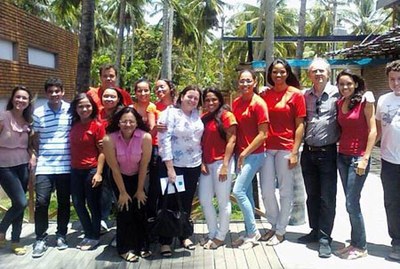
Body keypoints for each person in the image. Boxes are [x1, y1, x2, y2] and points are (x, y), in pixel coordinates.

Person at [259, 59, 305, 246]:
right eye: (275, 72)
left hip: (286, 148)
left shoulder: (296, 95)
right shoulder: (264, 94)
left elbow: (300, 125)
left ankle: (280, 231)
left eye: (282, 72)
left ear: (287, 73)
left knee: (286, 192)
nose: (278, 76)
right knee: (267, 191)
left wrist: (295, 151)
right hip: (266, 148)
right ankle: (273, 224)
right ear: (269, 74)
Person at [298, 58, 340, 258]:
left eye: (322, 71)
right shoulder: (304, 95)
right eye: (314, 71)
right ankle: (314, 230)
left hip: (328, 152)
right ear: (309, 75)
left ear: (328, 73)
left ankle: (325, 237)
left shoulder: (338, 94)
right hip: (308, 152)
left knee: (327, 197)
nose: (318, 74)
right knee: (312, 195)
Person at [333, 69, 376, 259]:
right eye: (342, 84)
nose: (345, 87)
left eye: (349, 84)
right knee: (350, 202)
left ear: (356, 84)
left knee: (352, 202)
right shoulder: (340, 102)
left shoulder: (365, 102)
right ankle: (354, 242)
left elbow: (373, 131)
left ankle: (361, 246)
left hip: (358, 158)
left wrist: (365, 158)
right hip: (342, 156)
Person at [157, 85, 204, 257]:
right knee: (169, 202)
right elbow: (164, 140)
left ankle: (184, 235)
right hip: (173, 166)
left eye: (196, 98)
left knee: (186, 203)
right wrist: (169, 168)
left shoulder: (196, 115)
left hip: (192, 165)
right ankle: (165, 241)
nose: (192, 100)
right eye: (189, 96)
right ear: (181, 96)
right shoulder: (170, 113)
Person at [103, 107, 152, 262]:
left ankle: (142, 245)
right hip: (119, 177)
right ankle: (124, 248)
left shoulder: (145, 137)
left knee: (140, 207)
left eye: (131, 121)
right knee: (124, 210)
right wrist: (123, 192)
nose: (128, 124)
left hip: (139, 176)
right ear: (118, 123)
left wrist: (139, 190)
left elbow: (144, 165)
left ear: (137, 122)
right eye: (124, 121)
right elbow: (114, 168)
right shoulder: (109, 139)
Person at [31, 77, 72, 258]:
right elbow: (35, 138)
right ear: (46, 93)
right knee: (41, 202)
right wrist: (36, 155)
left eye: (57, 91)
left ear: (62, 92)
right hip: (45, 165)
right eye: (51, 91)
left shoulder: (71, 110)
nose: (54, 94)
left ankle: (61, 235)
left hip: (66, 165)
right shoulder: (38, 112)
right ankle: (40, 238)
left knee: (64, 202)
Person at [231, 69, 269, 249]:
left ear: (254, 82)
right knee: (245, 193)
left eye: (248, 81)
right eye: (242, 81)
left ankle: (253, 233)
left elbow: (263, 134)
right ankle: (249, 231)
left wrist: (245, 152)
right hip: (240, 154)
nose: (245, 84)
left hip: (254, 154)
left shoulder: (259, 104)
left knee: (237, 191)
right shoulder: (236, 103)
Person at [199, 87, 237, 249]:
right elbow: (199, 143)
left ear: (220, 100)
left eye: (213, 99)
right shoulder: (204, 118)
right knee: (205, 200)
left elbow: (232, 140)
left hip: (222, 163)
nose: (210, 102)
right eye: (207, 100)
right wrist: (201, 162)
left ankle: (221, 236)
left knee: (223, 202)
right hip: (207, 164)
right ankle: (212, 232)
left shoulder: (227, 116)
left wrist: (225, 165)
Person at [69, 93, 105, 251]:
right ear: (75, 108)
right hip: (75, 170)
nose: (84, 109)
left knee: (93, 204)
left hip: (91, 170)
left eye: (88, 106)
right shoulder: (73, 124)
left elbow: (102, 152)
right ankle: (89, 232)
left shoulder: (97, 125)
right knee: (77, 203)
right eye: (81, 106)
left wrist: (99, 173)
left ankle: (94, 236)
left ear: (93, 107)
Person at [0, 86, 34, 255]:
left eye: (24, 98)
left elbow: (29, 146)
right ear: (12, 98)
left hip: (23, 165)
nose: (21, 101)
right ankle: (1, 230)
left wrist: (32, 156)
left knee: (18, 205)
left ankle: (15, 241)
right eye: (18, 97)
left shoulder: (28, 121)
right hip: (4, 166)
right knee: (21, 202)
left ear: (29, 102)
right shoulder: (3, 117)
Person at [376, 60, 400, 261]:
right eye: (392, 79)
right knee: (392, 204)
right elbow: (376, 130)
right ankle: (397, 243)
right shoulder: (383, 100)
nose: (396, 83)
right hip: (389, 162)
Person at [147, 79, 176, 222]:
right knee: (156, 187)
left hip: (177, 152)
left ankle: (173, 219)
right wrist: (155, 128)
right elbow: (151, 133)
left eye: (162, 87)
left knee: (174, 187)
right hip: (157, 151)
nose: (159, 90)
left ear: (170, 88)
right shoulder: (153, 107)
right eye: (156, 88)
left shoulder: (179, 105)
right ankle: (154, 220)